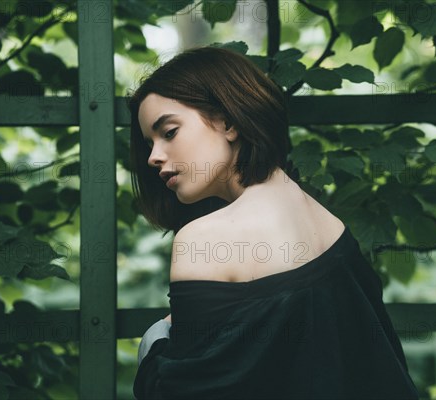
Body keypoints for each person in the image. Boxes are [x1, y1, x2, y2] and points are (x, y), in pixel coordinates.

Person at [129, 46, 419, 399]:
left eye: (169, 132)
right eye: (149, 142)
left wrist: (156, 338)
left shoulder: (202, 239)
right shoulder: (328, 223)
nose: (153, 157)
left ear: (228, 122)